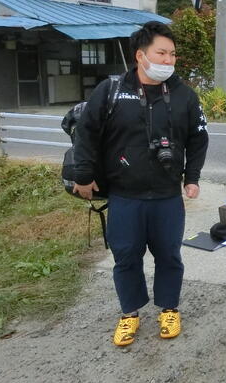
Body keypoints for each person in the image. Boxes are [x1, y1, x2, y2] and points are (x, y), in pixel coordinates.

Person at [73, 22, 209, 347]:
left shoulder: (184, 95)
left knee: (169, 256)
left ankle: (169, 309)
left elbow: (198, 138)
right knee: (126, 257)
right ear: (140, 55)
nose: (168, 60)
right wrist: (83, 174)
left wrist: (192, 177)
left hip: (166, 196)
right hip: (124, 196)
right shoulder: (111, 91)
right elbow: (87, 133)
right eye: (161, 53)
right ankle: (129, 313)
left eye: (172, 54)